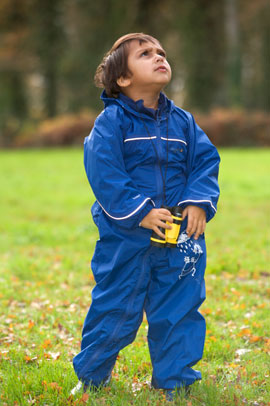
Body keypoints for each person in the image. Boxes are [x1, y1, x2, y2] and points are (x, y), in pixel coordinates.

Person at [71, 33, 220, 400]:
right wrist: (140, 212)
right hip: (127, 238)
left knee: (179, 309)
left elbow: (205, 160)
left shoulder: (184, 122)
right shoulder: (111, 123)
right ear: (123, 78)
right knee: (115, 308)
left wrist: (199, 201)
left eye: (161, 53)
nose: (159, 57)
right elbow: (105, 173)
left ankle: (176, 382)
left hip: (179, 238)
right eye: (146, 54)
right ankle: (91, 375)